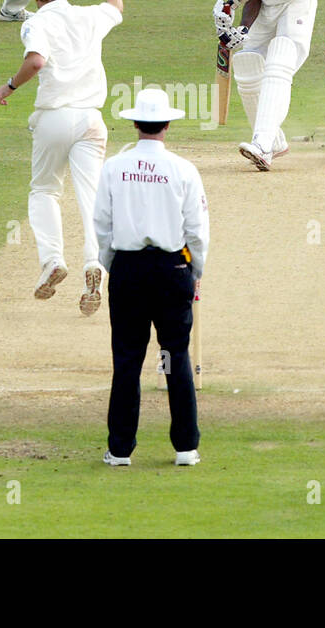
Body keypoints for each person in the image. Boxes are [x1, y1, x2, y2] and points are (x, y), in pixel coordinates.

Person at [0, 0, 123, 315]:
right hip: (90, 120)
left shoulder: (36, 22)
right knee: (92, 196)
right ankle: (94, 265)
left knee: (44, 191)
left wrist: (10, 86)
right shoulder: (87, 16)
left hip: (53, 118)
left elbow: (36, 60)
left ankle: (52, 261)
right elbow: (116, 7)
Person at [93, 87, 210, 468]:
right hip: (172, 269)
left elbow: (102, 226)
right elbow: (197, 231)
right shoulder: (183, 169)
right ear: (168, 123)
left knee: (127, 358)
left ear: (135, 123)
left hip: (128, 269)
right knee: (174, 355)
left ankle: (121, 449)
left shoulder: (113, 167)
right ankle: (186, 448)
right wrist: (195, 271)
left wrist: (115, 266)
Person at [202, 0, 318, 171]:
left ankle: (262, 144)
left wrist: (231, 2)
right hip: (267, 9)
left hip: (295, 2)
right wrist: (242, 28)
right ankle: (274, 142)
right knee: (247, 62)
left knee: (279, 59)